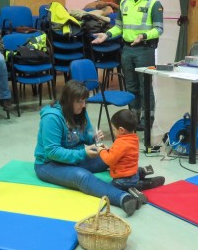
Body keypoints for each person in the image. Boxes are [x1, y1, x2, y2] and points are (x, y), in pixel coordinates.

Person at [34, 80, 141, 216]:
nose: (83, 105)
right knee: (82, 177)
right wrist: (83, 153)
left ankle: (133, 174)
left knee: (109, 155)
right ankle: (122, 198)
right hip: (48, 164)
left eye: (85, 101)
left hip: (76, 157)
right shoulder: (51, 118)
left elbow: (86, 135)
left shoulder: (80, 111)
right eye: (79, 101)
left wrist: (94, 138)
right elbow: (52, 152)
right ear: (68, 100)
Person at [92, 0, 164, 131]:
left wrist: (144, 36)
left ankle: (147, 119)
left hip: (144, 50)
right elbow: (119, 27)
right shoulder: (124, 2)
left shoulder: (154, 4)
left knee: (145, 86)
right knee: (131, 87)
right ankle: (134, 118)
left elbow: (159, 29)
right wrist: (107, 35)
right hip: (127, 50)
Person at [98, 109, 165, 194]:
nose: (113, 131)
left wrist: (101, 151)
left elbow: (110, 160)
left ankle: (144, 184)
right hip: (133, 172)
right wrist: (108, 150)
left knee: (111, 189)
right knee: (132, 171)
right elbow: (123, 153)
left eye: (114, 129)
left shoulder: (120, 142)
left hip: (123, 179)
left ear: (121, 130)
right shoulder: (134, 138)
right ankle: (141, 172)